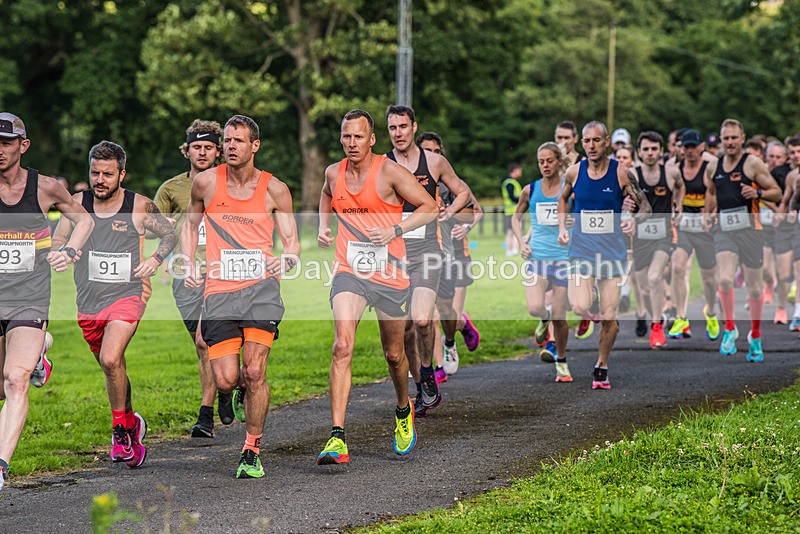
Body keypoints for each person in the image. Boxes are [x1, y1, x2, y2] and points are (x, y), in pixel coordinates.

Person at [316, 109, 437, 464]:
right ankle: (337, 437)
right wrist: (325, 226)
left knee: (395, 354)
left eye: (358, 137)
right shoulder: (332, 172)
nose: (351, 143)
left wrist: (395, 230)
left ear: (371, 140)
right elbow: (326, 194)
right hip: (349, 269)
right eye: (346, 136)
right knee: (342, 345)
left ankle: (403, 408)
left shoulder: (389, 171)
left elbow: (430, 206)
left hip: (389, 272)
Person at [183, 115, 300, 478]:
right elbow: (190, 224)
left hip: (261, 292)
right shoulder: (204, 183)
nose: (231, 146)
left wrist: (289, 257)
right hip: (219, 292)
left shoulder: (274, 189)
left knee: (254, 369)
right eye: (228, 140)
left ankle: (251, 449)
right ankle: (237, 391)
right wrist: (188, 263)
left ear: (254, 146)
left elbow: (292, 240)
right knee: (226, 379)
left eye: (238, 140)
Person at [53, 140, 176, 470]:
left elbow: (169, 234)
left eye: (108, 174)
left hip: (128, 295)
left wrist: (155, 259)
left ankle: (120, 430)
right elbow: (59, 238)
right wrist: (61, 253)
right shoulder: (78, 203)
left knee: (110, 357)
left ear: (122, 174)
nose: (100, 180)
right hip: (89, 301)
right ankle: (131, 422)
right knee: (112, 365)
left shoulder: (139, 206)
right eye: (95, 173)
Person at [0, 112, 93, 490]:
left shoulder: (46, 187)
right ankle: (41, 351)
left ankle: (1, 467)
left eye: (6, 143)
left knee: (15, 379)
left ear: (23, 145)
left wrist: (69, 250)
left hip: (29, 297)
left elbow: (84, 220)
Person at [385, 105, 470, 417]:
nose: (398, 133)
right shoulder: (382, 165)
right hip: (394, 254)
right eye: (393, 128)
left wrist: (448, 210)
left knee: (422, 319)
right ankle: (422, 382)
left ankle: (426, 371)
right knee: (405, 329)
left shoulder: (433, 162)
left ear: (413, 127)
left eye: (403, 127)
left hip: (427, 250)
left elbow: (463, 191)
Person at [154, 119, 233, 439]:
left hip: (220, 272)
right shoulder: (171, 189)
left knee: (205, 339)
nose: (202, 152)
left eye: (209, 147)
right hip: (184, 275)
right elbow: (148, 225)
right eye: (196, 147)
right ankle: (226, 387)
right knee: (203, 347)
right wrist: (166, 223)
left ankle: (206, 414)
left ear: (218, 151)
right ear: (186, 150)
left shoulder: (228, 182)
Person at [557, 121, 651, 389]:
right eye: (586, 141)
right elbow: (563, 199)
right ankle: (591, 303)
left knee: (609, 317)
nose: (591, 146)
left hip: (611, 253)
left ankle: (601, 364)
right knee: (578, 306)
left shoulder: (621, 173)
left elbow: (645, 207)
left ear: (606, 142)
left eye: (596, 140)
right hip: (581, 251)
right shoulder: (575, 172)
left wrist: (633, 220)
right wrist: (563, 228)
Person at [703, 119, 781, 361]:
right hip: (724, 230)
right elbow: (711, 192)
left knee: (754, 287)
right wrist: (707, 215)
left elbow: (776, 192)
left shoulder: (753, 163)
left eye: (734, 138)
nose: (729, 142)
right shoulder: (713, 167)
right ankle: (729, 329)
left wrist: (757, 192)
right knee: (724, 279)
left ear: (742, 138)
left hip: (751, 231)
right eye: (726, 138)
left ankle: (755, 335)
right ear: (721, 139)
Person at [416, 132, 481, 383]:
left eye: (435, 151)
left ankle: (459, 329)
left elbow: (476, 211)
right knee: (428, 315)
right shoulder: (413, 180)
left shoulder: (451, 181)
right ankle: (440, 364)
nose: (431, 156)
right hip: (426, 252)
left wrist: (462, 225)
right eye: (426, 151)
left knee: (448, 311)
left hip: (457, 251)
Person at [512, 142, 573, 382]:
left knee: (560, 316)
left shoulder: (569, 190)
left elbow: (581, 217)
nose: (545, 166)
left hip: (562, 257)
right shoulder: (530, 189)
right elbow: (516, 219)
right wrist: (521, 242)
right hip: (537, 256)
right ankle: (542, 318)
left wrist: (572, 224)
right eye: (541, 162)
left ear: (559, 161)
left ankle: (562, 359)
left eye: (549, 161)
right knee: (535, 308)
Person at [630, 132, 683, 349]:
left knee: (654, 277)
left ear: (661, 151)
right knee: (643, 287)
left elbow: (680, 187)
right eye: (646, 149)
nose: (650, 153)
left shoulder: (670, 173)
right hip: (640, 237)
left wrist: (678, 206)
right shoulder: (632, 174)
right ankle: (656, 314)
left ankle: (656, 325)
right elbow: (624, 197)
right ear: (639, 152)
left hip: (663, 235)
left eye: (654, 149)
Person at [668, 129, 720, 341]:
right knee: (678, 267)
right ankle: (681, 316)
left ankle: (711, 311)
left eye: (693, 147)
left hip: (704, 229)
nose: (689, 151)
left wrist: (711, 214)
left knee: (709, 278)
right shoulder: (674, 169)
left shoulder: (709, 168)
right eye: (686, 147)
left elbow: (717, 194)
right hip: (684, 228)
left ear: (701, 147)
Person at [760, 140, 790, 318]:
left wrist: (782, 212)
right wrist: (776, 209)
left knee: (783, 271)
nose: (774, 160)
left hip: (783, 226)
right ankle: (768, 283)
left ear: (784, 158)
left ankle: (781, 308)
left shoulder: (788, 175)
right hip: (764, 223)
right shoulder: (759, 171)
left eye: (778, 157)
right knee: (764, 267)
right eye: (771, 156)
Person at [502, 162, 522, 256]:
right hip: (513, 211)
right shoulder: (510, 183)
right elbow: (512, 197)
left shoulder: (508, 182)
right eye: (519, 170)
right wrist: (522, 200)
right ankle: (514, 249)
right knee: (515, 230)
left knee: (510, 231)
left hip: (509, 211)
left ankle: (509, 250)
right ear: (514, 170)